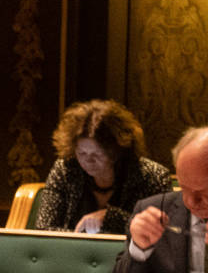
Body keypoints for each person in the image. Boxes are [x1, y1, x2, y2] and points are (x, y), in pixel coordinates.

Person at [106, 126, 208, 273]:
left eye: (202, 192)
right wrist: (138, 249)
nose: (191, 202)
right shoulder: (155, 211)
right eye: (184, 188)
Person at [31, 99, 170, 235]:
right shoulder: (65, 169)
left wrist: (109, 217)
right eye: (82, 153)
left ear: (118, 149)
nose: (89, 161)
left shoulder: (152, 176)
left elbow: (165, 233)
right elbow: (44, 230)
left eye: (98, 154)